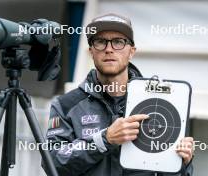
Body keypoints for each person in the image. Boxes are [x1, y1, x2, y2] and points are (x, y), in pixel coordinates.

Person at [44, 13, 194, 176]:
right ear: (91, 51)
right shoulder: (65, 105)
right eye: (100, 42)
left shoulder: (160, 100)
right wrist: (104, 139)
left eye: (118, 42)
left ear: (131, 51)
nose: (109, 49)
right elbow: (52, 163)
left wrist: (182, 164)